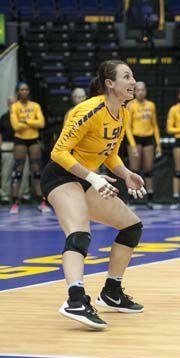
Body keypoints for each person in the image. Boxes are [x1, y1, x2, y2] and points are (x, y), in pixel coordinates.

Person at [42, 60, 146, 330]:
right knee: (79, 233)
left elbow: (109, 154)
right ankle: (75, 300)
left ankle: (111, 292)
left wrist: (125, 174)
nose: (133, 81)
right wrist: (92, 177)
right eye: (127, 76)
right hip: (62, 176)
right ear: (110, 84)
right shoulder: (89, 110)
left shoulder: (122, 112)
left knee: (132, 226)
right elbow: (58, 153)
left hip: (88, 178)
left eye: (132, 76)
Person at [10, 82, 48, 213]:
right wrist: (32, 122)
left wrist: (25, 121)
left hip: (33, 139)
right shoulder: (14, 106)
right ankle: (15, 203)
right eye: (22, 89)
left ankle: (42, 202)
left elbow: (42, 123)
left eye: (26, 89)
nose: (24, 91)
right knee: (18, 172)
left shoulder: (35, 106)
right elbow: (15, 126)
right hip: (20, 140)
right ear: (18, 92)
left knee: (37, 171)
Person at [126, 81, 161, 207]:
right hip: (135, 138)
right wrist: (133, 145)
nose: (141, 92)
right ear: (135, 92)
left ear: (146, 91)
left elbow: (155, 125)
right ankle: (131, 199)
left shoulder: (151, 105)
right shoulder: (130, 105)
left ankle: (150, 199)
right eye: (138, 90)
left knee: (149, 170)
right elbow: (127, 127)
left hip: (148, 138)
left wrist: (159, 144)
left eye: (143, 90)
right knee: (134, 170)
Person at [1, 96, 29, 204]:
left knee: (24, 171)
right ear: (7, 104)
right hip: (8, 145)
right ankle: (5, 195)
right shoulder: (3, 117)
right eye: (10, 103)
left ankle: (24, 194)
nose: (12, 105)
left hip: (22, 144)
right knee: (6, 171)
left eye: (14, 102)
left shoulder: (24, 115)